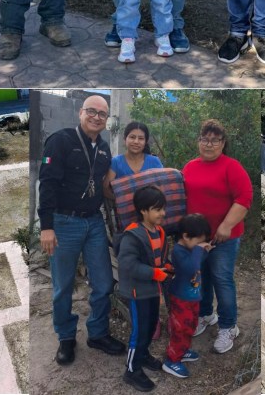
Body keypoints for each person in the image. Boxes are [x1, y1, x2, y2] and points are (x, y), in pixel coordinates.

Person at [37, 95, 125, 364]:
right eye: (92, 111)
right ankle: (65, 337)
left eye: (102, 113)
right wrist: (46, 227)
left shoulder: (104, 148)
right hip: (64, 223)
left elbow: (103, 184)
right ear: (80, 113)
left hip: (93, 222)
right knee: (63, 286)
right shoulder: (60, 140)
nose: (97, 117)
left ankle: (97, 333)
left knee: (103, 282)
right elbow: (47, 184)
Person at [182, 120, 252, 354]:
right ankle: (205, 315)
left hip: (224, 238)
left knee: (222, 279)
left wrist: (226, 226)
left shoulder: (231, 167)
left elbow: (244, 199)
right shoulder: (190, 166)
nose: (209, 144)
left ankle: (228, 326)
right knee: (200, 278)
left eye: (214, 140)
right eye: (204, 139)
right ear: (198, 141)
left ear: (223, 143)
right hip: (197, 238)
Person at [116, 186, 174, 391]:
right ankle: (131, 370)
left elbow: (158, 258)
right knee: (140, 331)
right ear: (143, 210)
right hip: (137, 291)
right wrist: (155, 273)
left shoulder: (159, 231)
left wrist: (165, 267)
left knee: (150, 326)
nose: (162, 213)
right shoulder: (133, 236)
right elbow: (128, 265)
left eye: (163, 209)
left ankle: (143, 354)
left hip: (151, 289)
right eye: (157, 209)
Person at [162, 213, 213, 379]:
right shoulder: (178, 251)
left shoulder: (192, 249)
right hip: (181, 299)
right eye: (198, 242)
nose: (200, 245)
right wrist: (199, 250)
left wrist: (203, 250)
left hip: (192, 298)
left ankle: (182, 351)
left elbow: (198, 263)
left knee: (190, 326)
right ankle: (171, 360)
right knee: (180, 329)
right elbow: (191, 268)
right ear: (185, 236)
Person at [103, 121, 165, 200]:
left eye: (141, 138)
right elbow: (105, 188)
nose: (136, 142)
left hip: (149, 210)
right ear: (125, 139)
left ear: (145, 141)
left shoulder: (154, 161)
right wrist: (120, 202)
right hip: (124, 210)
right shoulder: (116, 162)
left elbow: (163, 186)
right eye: (132, 137)